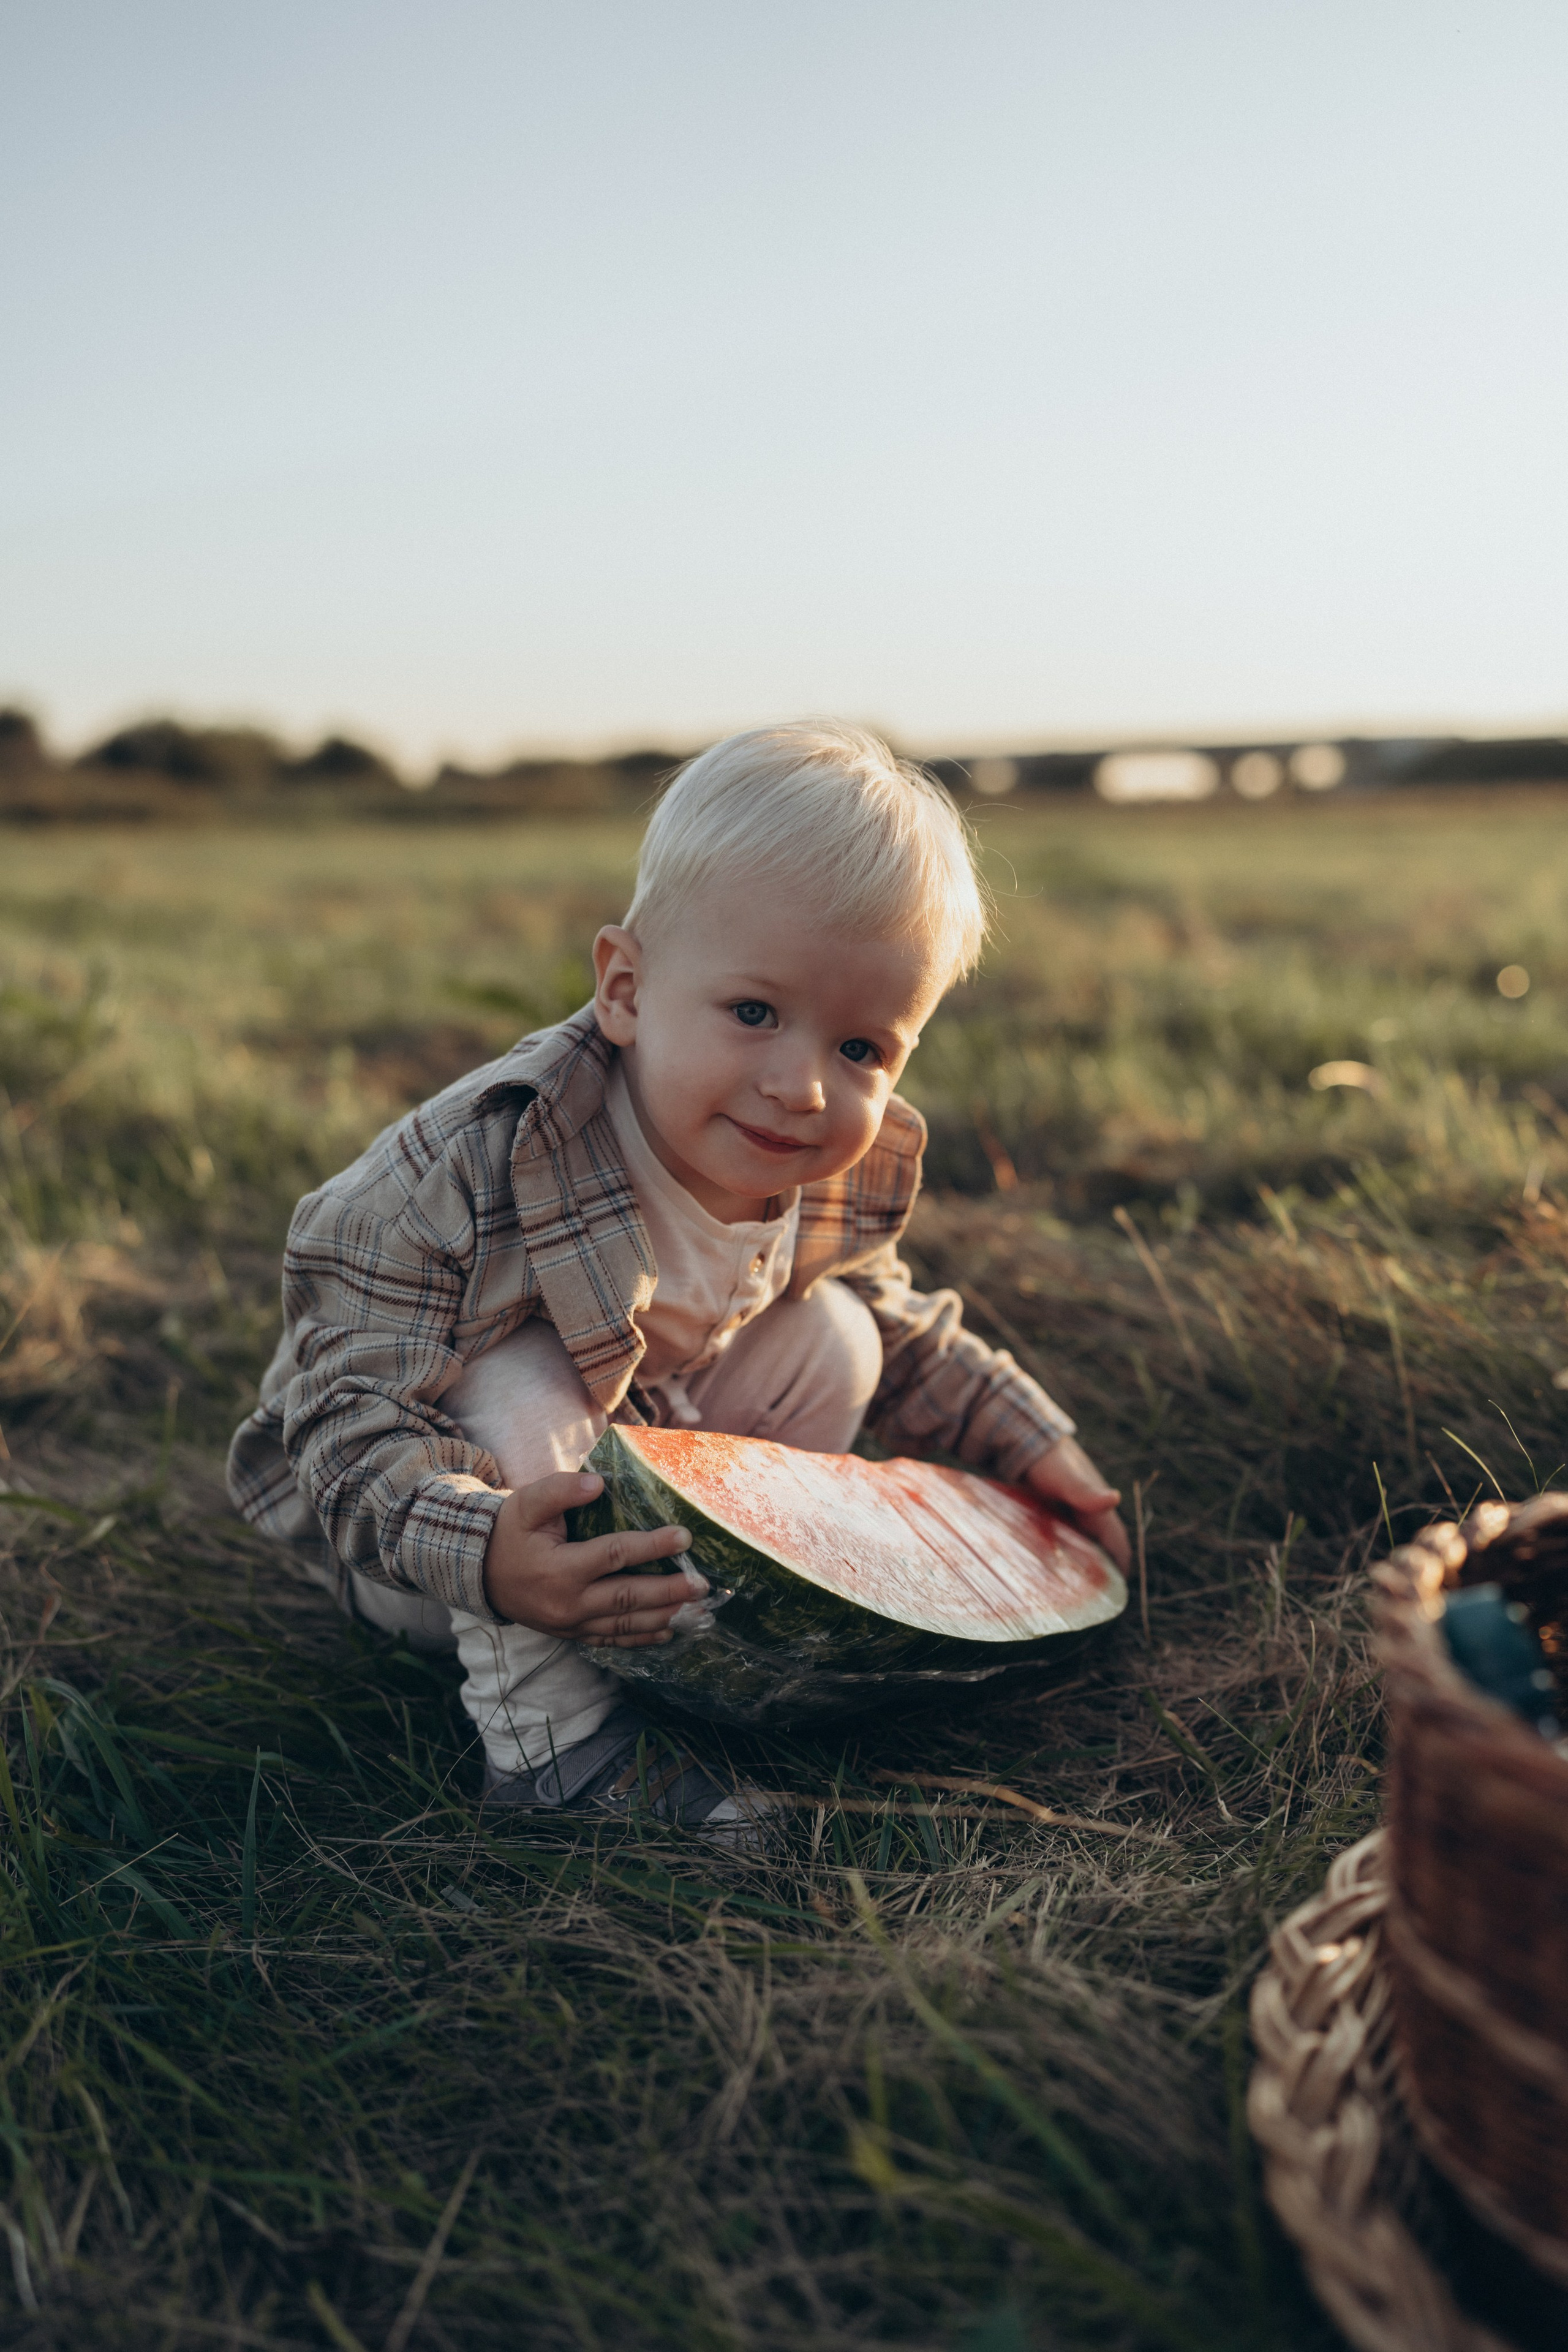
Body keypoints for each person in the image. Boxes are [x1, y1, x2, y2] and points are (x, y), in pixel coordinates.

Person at [227, 722, 1129, 1838]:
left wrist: (1032, 1446)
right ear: (626, 989)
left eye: (863, 1050)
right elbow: (345, 1429)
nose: (801, 1086)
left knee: (839, 1333)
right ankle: (552, 1749)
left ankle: (734, 1637)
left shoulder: (823, 1160)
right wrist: (489, 1555)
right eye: (754, 1014)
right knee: (518, 1371)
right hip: (430, 1545)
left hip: (643, 1452)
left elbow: (901, 1331)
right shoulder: (460, 1171)